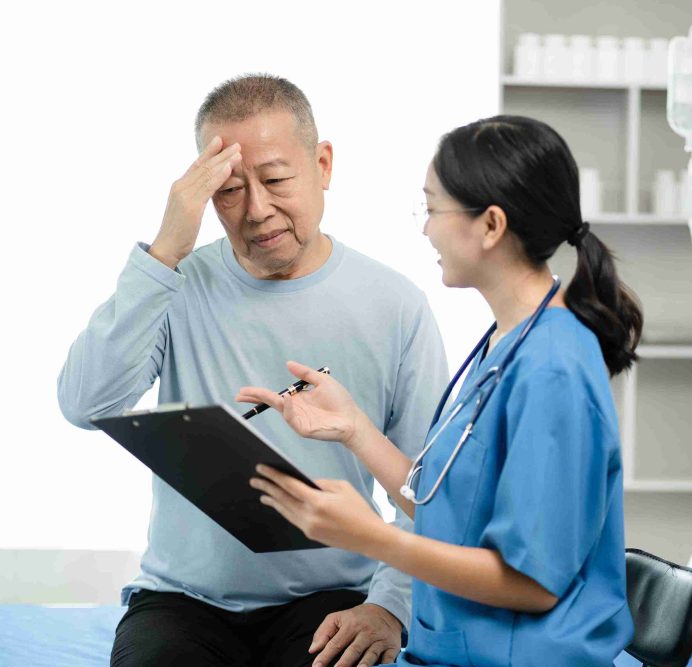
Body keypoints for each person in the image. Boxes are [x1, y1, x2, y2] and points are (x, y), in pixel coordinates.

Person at [57, 74, 449, 667]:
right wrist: (166, 249)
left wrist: (390, 606)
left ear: (323, 164)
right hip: (182, 602)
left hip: (333, 598)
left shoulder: (396, 304)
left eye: (276, 180)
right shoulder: (176, 283)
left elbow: (432, 489)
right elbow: (84, 405)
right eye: (230, 190)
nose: (257, 210)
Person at [239, 114, 644, 666]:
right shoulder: (504, 342)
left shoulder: (553, 368)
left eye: (431, 209)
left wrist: (373, 538)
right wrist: (355, 429)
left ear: (491, 225)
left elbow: (534, 583)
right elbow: (447, 505)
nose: (425, 228)